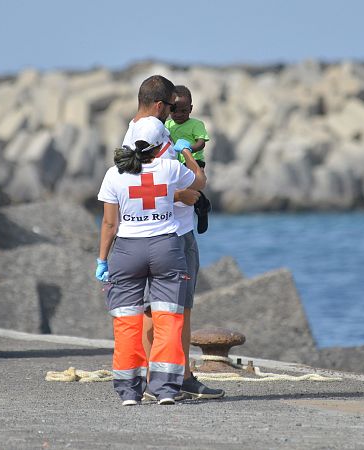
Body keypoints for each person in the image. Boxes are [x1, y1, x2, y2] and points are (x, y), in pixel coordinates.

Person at [96, 77, 206, 406]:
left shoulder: (115, 173)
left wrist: (102, 260)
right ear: (161, 143)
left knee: (127, 321)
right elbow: (198, 185)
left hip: (126, 250)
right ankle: (167, 389)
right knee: (169, 317)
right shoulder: (169, 168)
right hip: (166, 246)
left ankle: (129, 391)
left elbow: (109, 223)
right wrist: (186, 153)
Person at [139, 85, 224, 401]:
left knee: (181, 308)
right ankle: (153, 378)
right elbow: (134, 182)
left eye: (184, 108)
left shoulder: (156, 133)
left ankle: (182, 375)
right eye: (172, 108)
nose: (177, 114)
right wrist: (178, 193)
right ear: (162, 106)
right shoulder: (153, 133)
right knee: (156, 309)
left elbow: (195, 178)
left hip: (180, 230)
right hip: (164, 233)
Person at [165, 84, 212, 235]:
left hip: (194, 161)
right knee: (180, 191)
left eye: (183, 111)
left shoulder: (196, 124)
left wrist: (189, 149)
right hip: (176, 162)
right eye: (174, 110)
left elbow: (201, 142)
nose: (178, 114)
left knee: (193, 187)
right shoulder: (167, 124)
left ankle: (203, 208)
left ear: (191, 109)